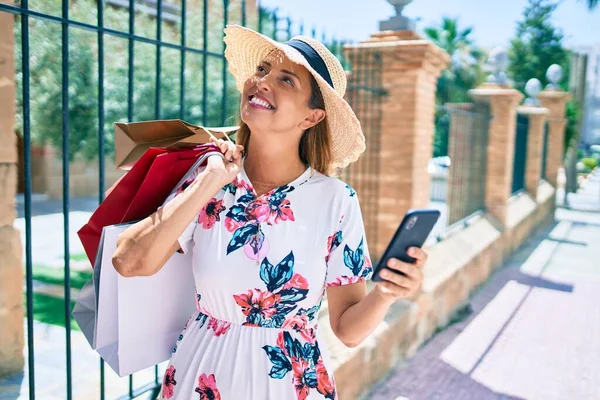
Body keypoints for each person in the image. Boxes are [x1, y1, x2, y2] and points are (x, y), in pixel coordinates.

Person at [112, 24, 428, 400]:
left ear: (312, 118)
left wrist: (387, 293)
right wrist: (208, 183)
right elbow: (129, 262)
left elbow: (348, 331)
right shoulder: (206, 176)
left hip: (290, 384)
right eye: (261, 70)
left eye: (286, 80)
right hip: (200, 377)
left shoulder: (336, 201)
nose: (262, 82)